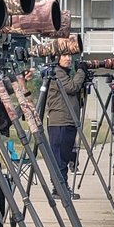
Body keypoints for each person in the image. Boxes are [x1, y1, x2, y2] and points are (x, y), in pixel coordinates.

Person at [42, 54, 86, 200]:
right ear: (56, 58)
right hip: (60, 121)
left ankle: (60, 187)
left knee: (64, 157)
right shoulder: (56, 72)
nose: (68, 59)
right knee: (59, 158)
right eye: (64, 56)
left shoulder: (63, 73)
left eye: (69, 56)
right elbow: (72, 87)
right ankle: (60, 188)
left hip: (67, 121)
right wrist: (81, 72)